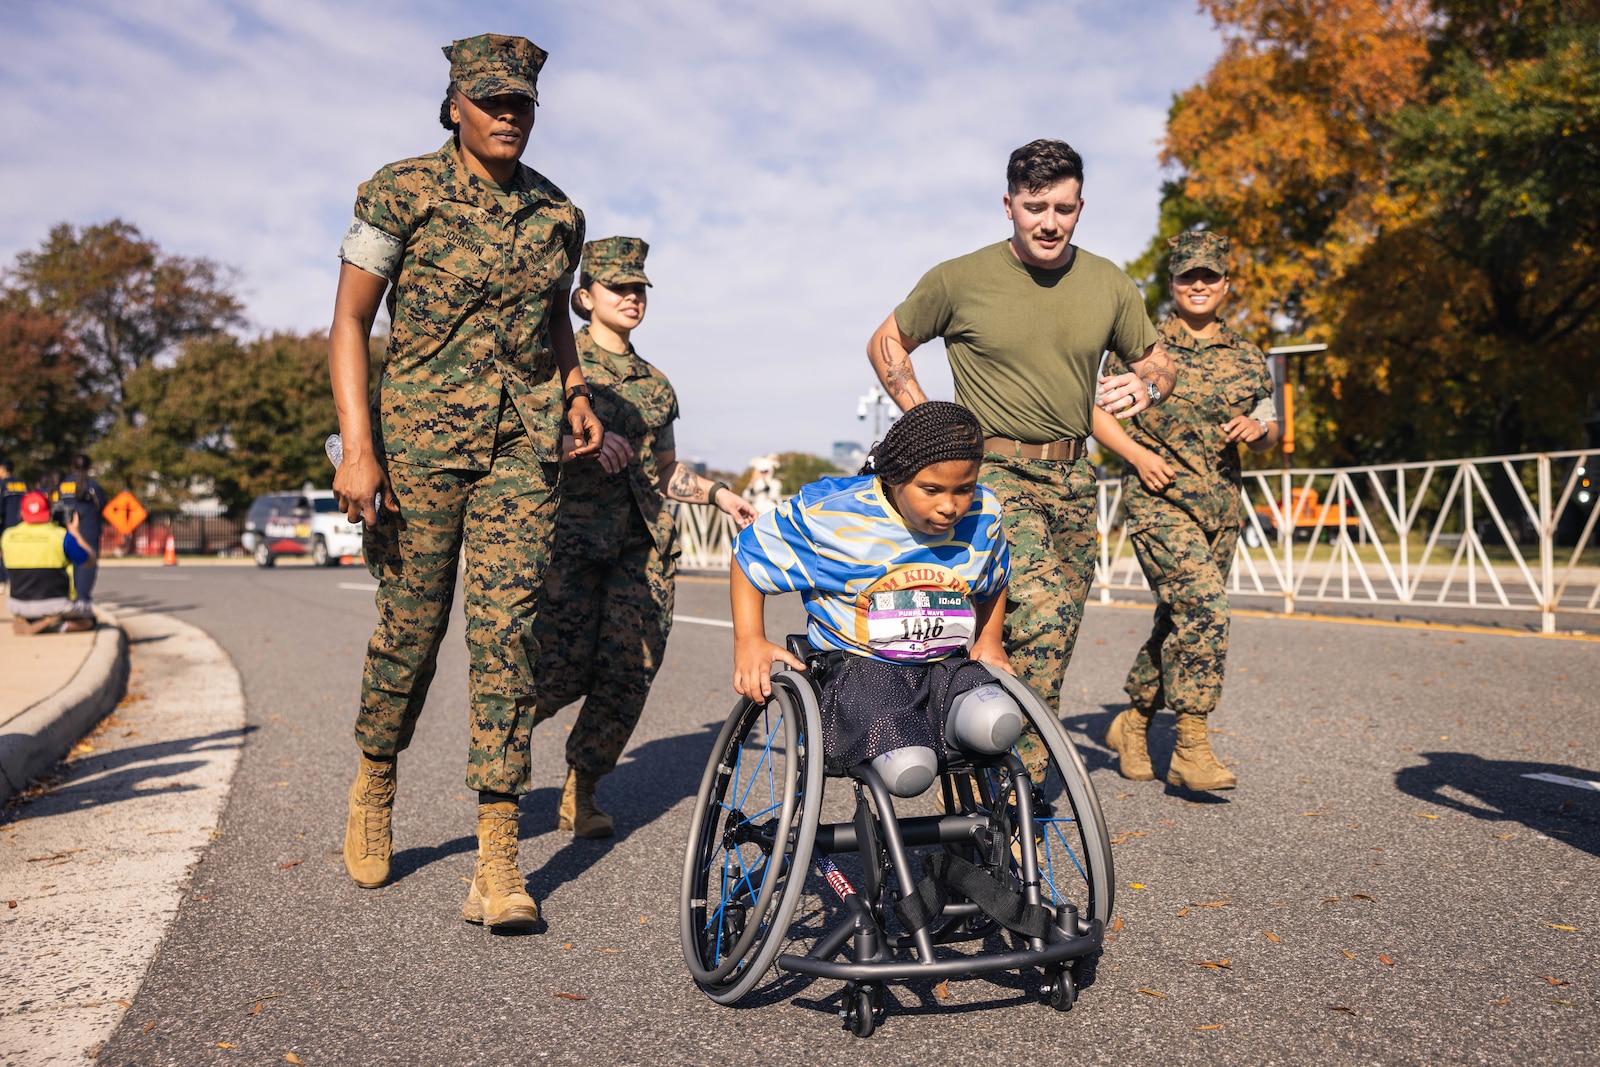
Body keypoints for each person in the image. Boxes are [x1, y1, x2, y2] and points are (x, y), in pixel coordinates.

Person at [328, 33, 604, 931]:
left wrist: (574, 391)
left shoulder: (559, 214)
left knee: (507, 642)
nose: (508, 116)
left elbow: (557, 325)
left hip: (521, 456)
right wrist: (357, 449)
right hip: (416, 451)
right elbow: (349, 324)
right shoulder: (399, 191)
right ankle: (376, 776)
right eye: (490, 101)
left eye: (521, 103)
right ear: (454, 105)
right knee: (409, 633)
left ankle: (497, 856)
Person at [864, 138, 1175, 771]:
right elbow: (886, 342)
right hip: (995, 472)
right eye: (1035, 206)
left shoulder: (1110, 284)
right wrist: (931, 428)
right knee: (1041, 619)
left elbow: (1160, 363)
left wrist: (1146, 386)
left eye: (1063, 207)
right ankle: (1017, 785)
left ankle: (995, 768)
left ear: (1080, 207)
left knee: (1049, 642)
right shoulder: (961, 278)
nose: (1049, 222)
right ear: (1009, 205)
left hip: (1074, 478)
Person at [532, 236, 757, 838]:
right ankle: (499, 753)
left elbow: (664, 472)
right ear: (583, 297)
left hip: (642, 545)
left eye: (639, 289)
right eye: (618, 287)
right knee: (556, 669)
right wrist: (577, 442)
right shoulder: (553, 365)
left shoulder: (656, 384)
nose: (632, 297)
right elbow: (520, 448)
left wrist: (719, 495)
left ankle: (583, 785)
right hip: (568, 543)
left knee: (631, 668)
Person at [730, 401, 1013, 782]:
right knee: (909, 768)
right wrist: (749, 640)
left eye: (964, 489)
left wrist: (991, 638)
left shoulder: (984, 512)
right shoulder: (831, 516)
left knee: (999, 722)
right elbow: (750, 553)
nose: (950, 506)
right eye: (931, 490)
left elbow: (993, 576)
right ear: (896, 476)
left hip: (945, 666)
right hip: (860, 671)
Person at [1092, 231, 1279, 791]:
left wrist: (1259, 430)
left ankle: (1135, 722)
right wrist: (1137, 454)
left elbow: (1270, 426)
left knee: (1181, 617)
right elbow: (1095, 414)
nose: (1199, 286)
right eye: (1187, 276)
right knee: (1206, 612)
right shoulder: (1140, 348)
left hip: (1221, 508)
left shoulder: (1248, 357)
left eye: (1210, 276)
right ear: (1171, 283)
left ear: (1226, 283)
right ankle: (1191, 745)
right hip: (1158, 502)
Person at [2, 491, 96, 635]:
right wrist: (74, 532)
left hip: (18, 604)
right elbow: (88, 561)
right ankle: (57, 626)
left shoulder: (7, 536)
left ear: (22, 513)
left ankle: (28, 621)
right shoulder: (62, 536)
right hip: (56, 604)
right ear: (49, 512)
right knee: (89, 619)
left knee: (29, 610)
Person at [54, 454, 107, 605]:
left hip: (69, 529)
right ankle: (83, 597)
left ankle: (73, 594)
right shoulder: (92, 485)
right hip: (88, 529)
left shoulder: (63, 484)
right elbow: (101, 505)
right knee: (87, 564)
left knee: (72, 564)